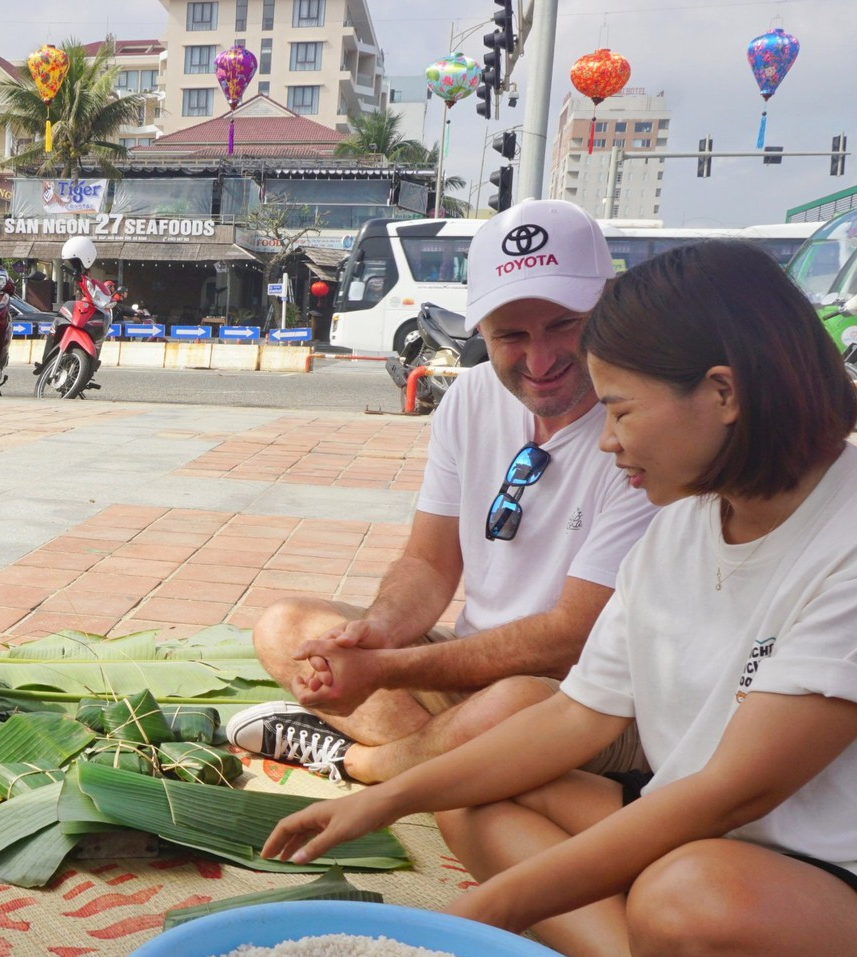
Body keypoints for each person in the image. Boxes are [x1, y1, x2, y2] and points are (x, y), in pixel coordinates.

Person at [262, 240, 857, 957]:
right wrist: (384, 802)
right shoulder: (686, 525)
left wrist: (484, 915)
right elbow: (576, 720)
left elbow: (727, 797)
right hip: (758, 842)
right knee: (471, 802)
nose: (611, 441)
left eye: (622, 411)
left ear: (724, 392)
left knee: (686, 904)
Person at [230, 200, 656, 785]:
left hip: (580, 695)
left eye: (563, 324)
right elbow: (429, 563)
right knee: (283, 627)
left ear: (607, 303)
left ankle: (372, 763)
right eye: (510, 334)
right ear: (479, 328)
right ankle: (460, 770)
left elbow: (570, 636)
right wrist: (374, 634)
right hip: (471, 674)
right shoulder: (471, 397)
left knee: (516, 707)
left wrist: (385, 671)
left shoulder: (644, 428)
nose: (539, 359)